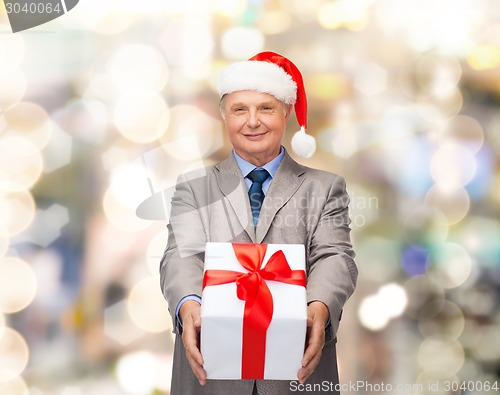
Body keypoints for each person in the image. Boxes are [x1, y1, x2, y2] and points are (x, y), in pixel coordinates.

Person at [160, 51, 358, 395]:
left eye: (265, 108)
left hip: (296, 371)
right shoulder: (193, 188)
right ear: (225, 116)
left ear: (285, 113)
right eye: (240, 110)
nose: (253, 122)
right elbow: (180, 255)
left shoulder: (325, 188)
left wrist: (320, 305)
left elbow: (335, 256)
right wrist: (188, 303)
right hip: (211, 372)